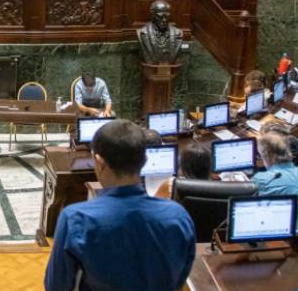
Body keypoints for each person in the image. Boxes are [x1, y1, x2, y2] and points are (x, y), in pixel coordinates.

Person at [44, 119, 195, 290]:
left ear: (99, 163)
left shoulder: (75, 218)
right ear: (145, 161)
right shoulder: (178, 215)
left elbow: (56, 286)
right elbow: (180, 279)